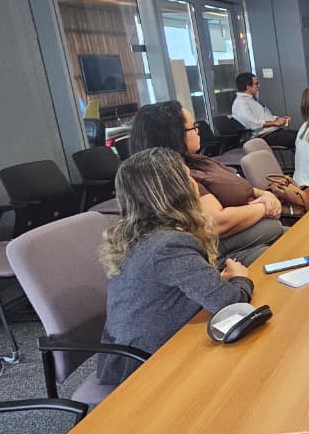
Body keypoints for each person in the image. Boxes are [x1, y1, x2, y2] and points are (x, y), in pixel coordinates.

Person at [96, 147, 254, 386]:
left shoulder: (142, 234)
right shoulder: (169, 244)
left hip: (134, 348)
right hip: (144, 365)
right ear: (177, 190)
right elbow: (230, 303)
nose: (194, 183)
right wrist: (240, 278)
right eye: (188, 176)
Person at [130, 101, 283, 266]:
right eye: (193, 127)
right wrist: (263, 207)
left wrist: (263, 194)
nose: (198, 131)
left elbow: (241, 186)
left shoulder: (199, 160)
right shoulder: (177, 176)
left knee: (288, 238)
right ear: (174, 135)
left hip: (250, 233)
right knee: (278, 239)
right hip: (219, 250)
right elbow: (215, 222)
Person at [232, 72, 297, 148]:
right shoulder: (240, 103)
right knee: (302, 139)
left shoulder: (251, 100)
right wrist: (274, 122)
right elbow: (252, 123)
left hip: (274, 132)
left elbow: (263, 117)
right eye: (256, 84)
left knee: (303, 135)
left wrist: (279, 119)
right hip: (264, 136)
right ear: (248, 87)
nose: (259, 86)